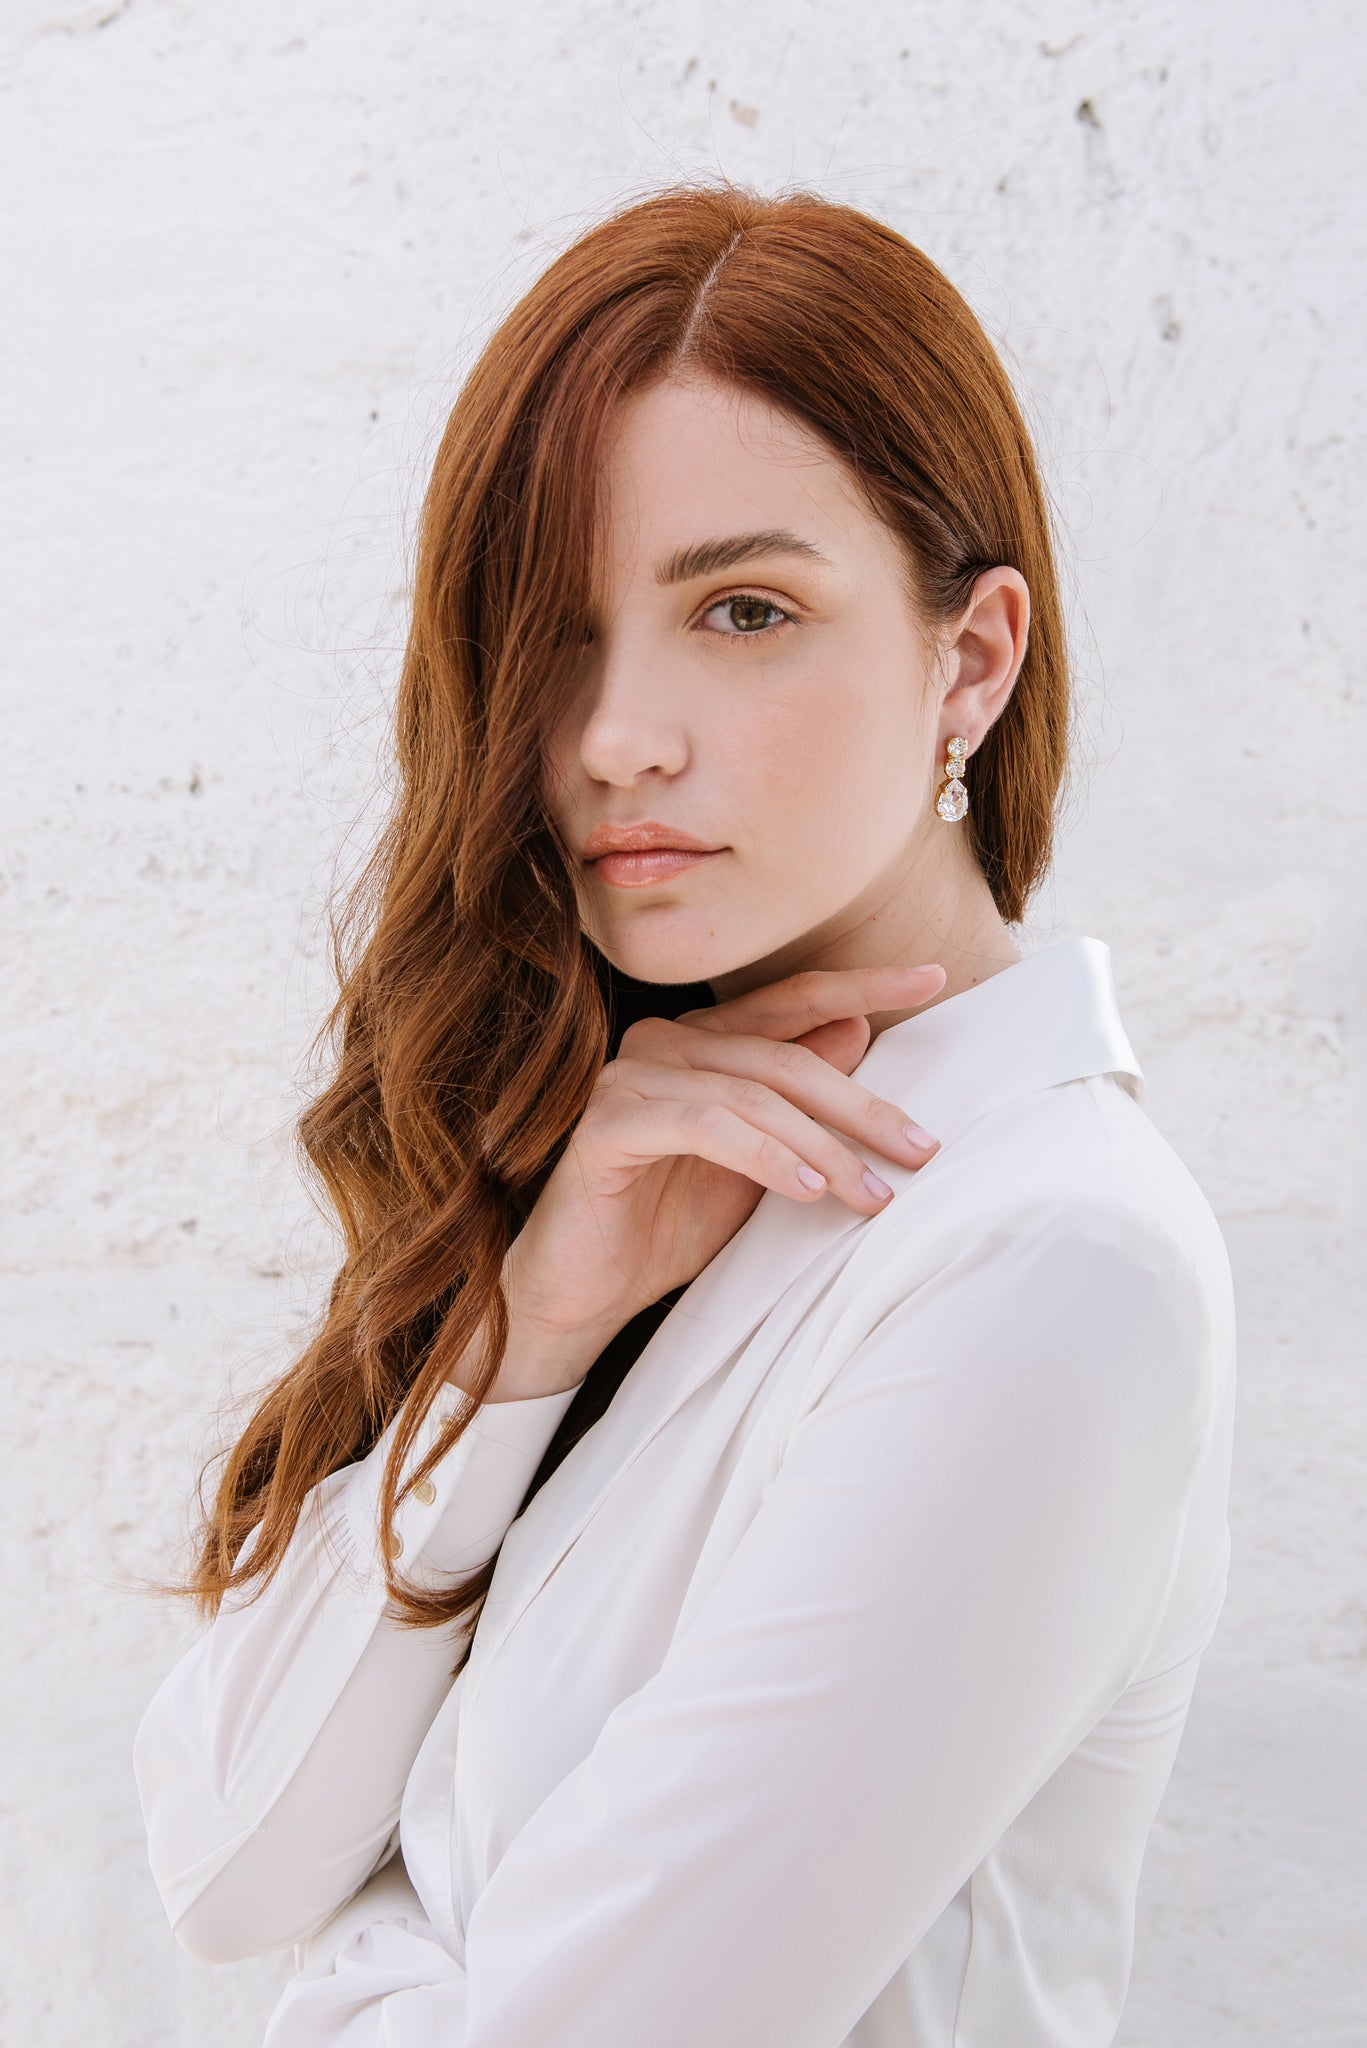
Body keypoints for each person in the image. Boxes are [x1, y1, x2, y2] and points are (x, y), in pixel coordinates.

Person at [133, 184, 1235, 2048]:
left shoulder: (1047, 1259)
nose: (614, 737)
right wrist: (534, 1330)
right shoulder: (664, 1192)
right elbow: (226, 1864)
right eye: (557, 631)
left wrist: (387, 1948)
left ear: (971, 659)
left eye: (743, 610)